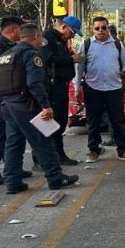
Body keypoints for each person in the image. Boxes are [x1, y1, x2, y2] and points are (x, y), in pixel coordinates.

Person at [0, 23, 78, 194]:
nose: (42, 41)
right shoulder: (31, 55)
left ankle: (12, 181)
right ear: (36, 36)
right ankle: (56, 178)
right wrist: (46, 106)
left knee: (13, 143)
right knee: (43, 140)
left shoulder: (6, 54)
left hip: (7, 104)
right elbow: (35, 83)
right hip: (27, 105)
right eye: (40, 37)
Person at [75, 16, 125, 163]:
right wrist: (77, 88)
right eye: (97, 28)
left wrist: (124, 72)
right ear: (93, 30)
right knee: (93, 122)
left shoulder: (117, 44)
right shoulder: (86, 44)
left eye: (104, 27)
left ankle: (123, 150)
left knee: (118, 121)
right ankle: (93, 151)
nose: (101, 31)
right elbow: (79, 68)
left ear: (108, 29)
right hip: (93, 88)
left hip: (114, 88)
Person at [0, 16, 31, 185]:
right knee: (1, 131)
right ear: (13, 30)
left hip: (11, 96)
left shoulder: (14, 47)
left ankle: (12, 167)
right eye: (21, 28)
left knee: (15, 131)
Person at [41, 15, 84, 166]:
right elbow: (48, 59)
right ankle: (40, 159)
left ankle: (59, 155)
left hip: (62, 85)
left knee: (60, 122)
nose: (72, 36)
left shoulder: (62, 41)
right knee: (48, 124)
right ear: (64, 27)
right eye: (72, 33)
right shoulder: (48, 38)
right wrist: (72, 59)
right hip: (52, 86)